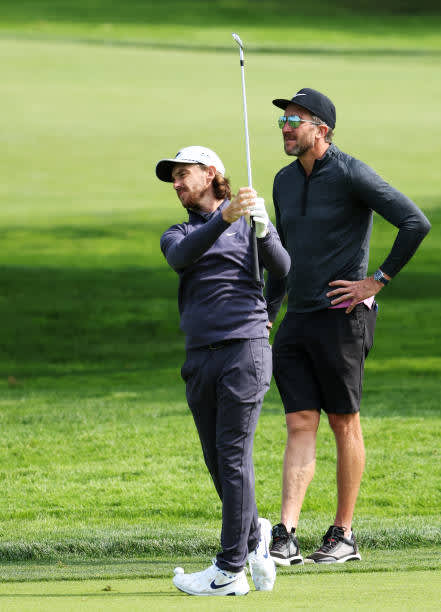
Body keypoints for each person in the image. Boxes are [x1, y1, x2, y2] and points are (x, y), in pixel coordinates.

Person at [266, 88, 431, 565]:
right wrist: (268, 311)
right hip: (297, 319)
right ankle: (287, 534)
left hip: (342, 318)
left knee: (342, 421)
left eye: (295, 120)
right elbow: (279, 256)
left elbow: (414, 222)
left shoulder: (350, 171)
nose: (287, 128)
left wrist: (375, 282)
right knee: (299, 421)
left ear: (322, 129)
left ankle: (343, 534)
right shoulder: (282, 181)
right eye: (283, 122)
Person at [156, 145, 290, 595]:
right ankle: (256, 537)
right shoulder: (178, 232)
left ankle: (230, 570)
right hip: (199, 359)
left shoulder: (250, 228)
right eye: (172, 177)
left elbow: (284, 271)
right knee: (218, 461)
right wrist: (226, 217)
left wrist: (266, 231)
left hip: (244, 353)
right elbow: (181, 257)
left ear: (211, 173)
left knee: (233, 456)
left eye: (182, 174)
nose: (175, 183)